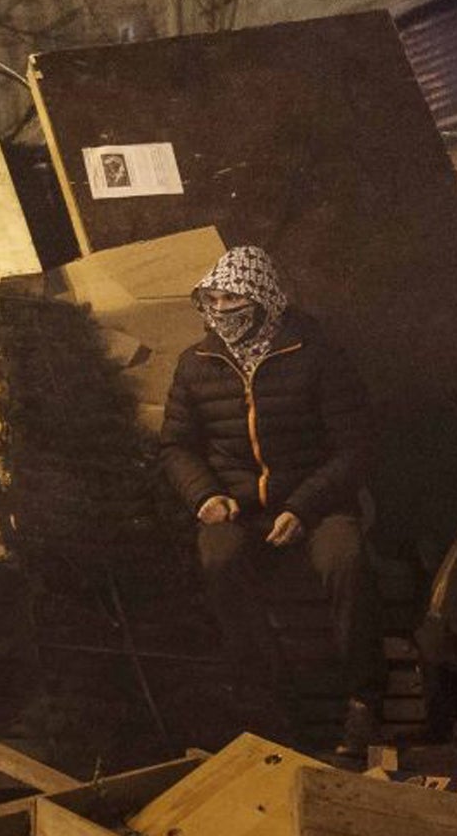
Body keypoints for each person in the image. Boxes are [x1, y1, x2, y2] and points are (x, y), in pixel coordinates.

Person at [156, 245, 384, 758]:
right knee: (218, 559)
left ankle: (363, 702)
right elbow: (177, 446)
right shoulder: (196, 365)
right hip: (237, 507)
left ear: (260, 300)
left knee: (345, 562)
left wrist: (303, 508)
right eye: (211, 298)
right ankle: (268, 700)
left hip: (318, 502)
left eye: (232, 299)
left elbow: (355, 447)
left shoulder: (316, 355)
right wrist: (205, 495)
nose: (220, 309)